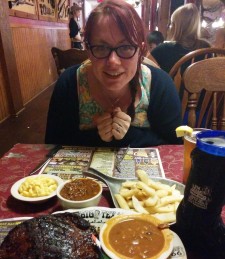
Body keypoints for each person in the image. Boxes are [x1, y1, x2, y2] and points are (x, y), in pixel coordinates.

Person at [45, 0, 182, 148]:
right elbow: (53, 145)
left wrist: (127, 134)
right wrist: (99, 136)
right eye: (101, 48)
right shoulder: (69, 83)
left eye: (126, 47)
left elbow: (174, 147)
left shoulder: (161, 85)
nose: (113, 61)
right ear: (89, 50)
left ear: (141, 51)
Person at [150, 3, 211, 73]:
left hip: (170, 84)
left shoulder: (163, 49)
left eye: (172, 23)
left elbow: (144, 71)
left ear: (176, 27)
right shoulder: (207, 49)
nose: (169, 27)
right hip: (201, 84)